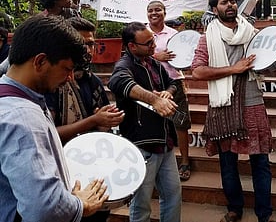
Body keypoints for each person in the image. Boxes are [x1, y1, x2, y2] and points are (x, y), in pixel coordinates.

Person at [191, 0, 276, 222]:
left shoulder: (253, 34)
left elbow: (269, 65)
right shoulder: (207, 37)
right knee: (228, 163)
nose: (230, 5)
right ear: (214, 9)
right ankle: (235, 209)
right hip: (223, 105)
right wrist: (233, 68)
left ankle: (264, 214)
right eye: (224, 2)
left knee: (261, 163)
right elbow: (197, 71)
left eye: (232, 2)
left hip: (252, 103)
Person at [0, 15, 108, 221]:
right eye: (66, 69)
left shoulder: (13, 99)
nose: (69, 78)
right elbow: (44, 208)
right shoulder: (23, 119)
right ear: (40, 61)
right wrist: (80, 204)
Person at [44, 17, 124, 222]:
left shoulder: (92, 81)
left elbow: (99, 127)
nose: (88, 50)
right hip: (60, 176)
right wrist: (93, 121)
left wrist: (106, 121)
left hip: (90, 168)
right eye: (82, 44)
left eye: (91, 44)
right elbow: (48, 134)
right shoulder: (51, 83)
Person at [108, 22, 181, 222]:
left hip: (165, 141)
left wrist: (168, 92)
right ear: (132, 46)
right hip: (142, 145)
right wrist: (154, 99)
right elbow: (118, 82)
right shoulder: (125, 65)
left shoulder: (154, 63)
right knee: (141, 204)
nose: (153, 46)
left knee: (173, 194)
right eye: (148, 43)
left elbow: (174, 83)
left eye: (153, 40)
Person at [147, 0, 193, 181]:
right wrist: (156, 57)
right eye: (150, 10)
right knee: (153, 124)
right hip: (150, 85)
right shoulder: (142, 33)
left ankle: (185, 162)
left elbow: (185, 58)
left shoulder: (175, 35)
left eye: (158, 10)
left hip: (174, 82)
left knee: (180, 123)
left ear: (165, 13)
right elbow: (132, 54)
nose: (154, 13)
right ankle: (156, 162)